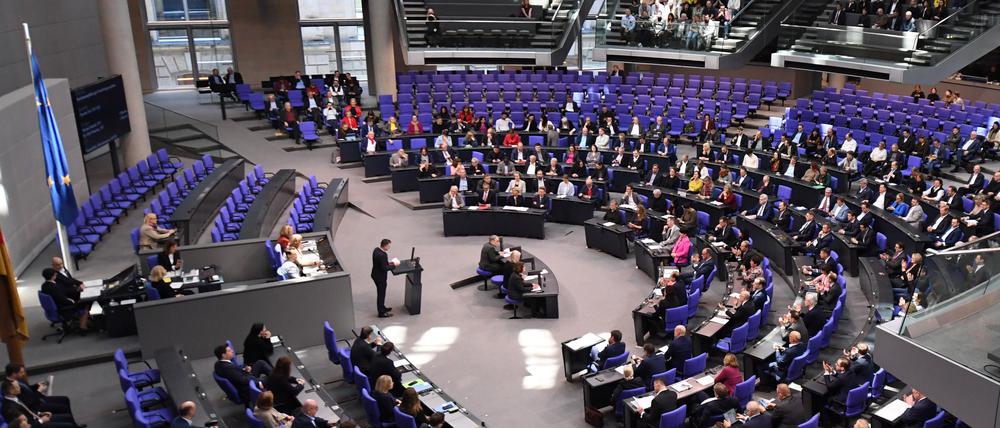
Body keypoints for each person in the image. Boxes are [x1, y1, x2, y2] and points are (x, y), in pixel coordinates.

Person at [371, 239, 399, 318]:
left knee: (381, 294)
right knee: (381, 294)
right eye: (389, 245)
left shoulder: (376, 250)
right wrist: (394, 265)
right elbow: (384, 268)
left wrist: (388, 263)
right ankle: (381, 313)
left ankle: (383, 307)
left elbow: (381, 263)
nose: (389, 247)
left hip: (375, 274)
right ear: (385, 245)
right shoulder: (383, 255)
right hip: (380, 277)